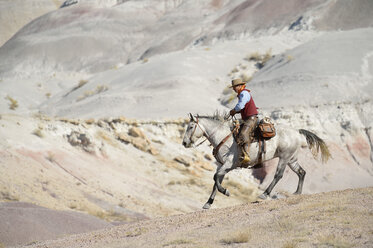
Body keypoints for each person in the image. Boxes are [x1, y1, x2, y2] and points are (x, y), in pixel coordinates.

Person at [229, 78, 258, 163]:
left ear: (240, 86)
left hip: (251, 118)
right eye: (233, 87)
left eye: (235, 87)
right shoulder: (242, 93)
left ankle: (246, 155)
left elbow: (240, 105)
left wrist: (234, 110)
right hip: (246, 118)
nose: (234, 89)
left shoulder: (244, 93)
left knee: (243, 134)